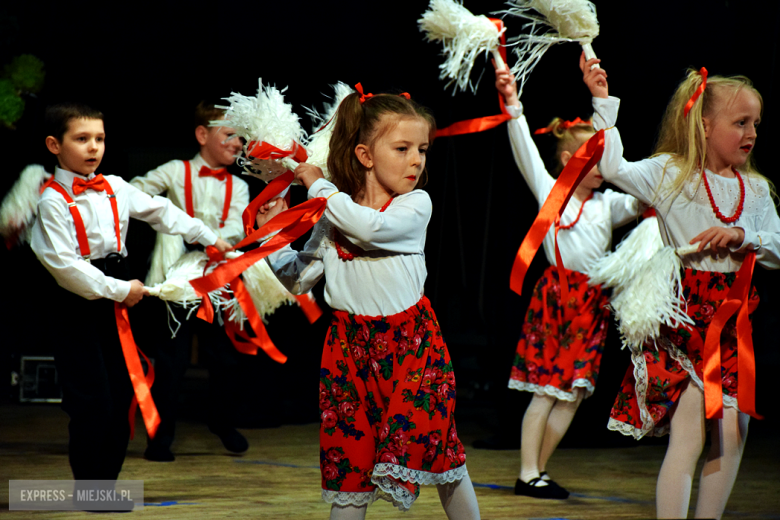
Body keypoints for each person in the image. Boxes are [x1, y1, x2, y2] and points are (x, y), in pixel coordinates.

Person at [255, 88, 480, 519]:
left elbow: (372, 229)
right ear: (365, 154)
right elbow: (299, 278)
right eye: (402, 148)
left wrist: (316, 183)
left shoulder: (415, 205)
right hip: (349, 355)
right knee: (349, 467)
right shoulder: (334, 215)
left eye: (422, 150)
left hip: (413, 352)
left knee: (440, 456)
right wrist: (271, 241)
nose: (417, 160)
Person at [583, 54, 780, 519]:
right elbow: (613, 168)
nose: (751, 132)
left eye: (756, 123)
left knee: (733, 434)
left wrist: (743, 236)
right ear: (706, 126)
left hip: (734, 325)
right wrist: (601, 102)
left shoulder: (755, 190)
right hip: (689, 319)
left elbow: (776, 245)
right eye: (740, 122)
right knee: (689, 434)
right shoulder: (671, 175)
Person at [30, 103, 230, 484]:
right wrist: (122, 289)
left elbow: (162, 211)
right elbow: (66, 267)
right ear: (54, 145)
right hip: (79, 303)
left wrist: (209, 237)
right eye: (82, 139)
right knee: (92, 400)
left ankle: (107, 483)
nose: (93, 148)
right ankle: (90, 485)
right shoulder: (51, 200)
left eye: (100, 139)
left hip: (118, 292)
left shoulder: (116, 187)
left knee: (124, 394)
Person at [494, 63, 644, 499]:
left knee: (572, 395)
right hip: (556, 300)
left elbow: (643, 198)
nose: (603, 167)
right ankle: (527, 472)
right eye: (594, 159)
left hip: (591, 305)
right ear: (569, 161)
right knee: (545, 392)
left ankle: (537, 470)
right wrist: (511, 103)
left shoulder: (607, 204)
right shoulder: (550, 192)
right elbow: (522, 146)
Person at [130, 102, 251, 462]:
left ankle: (222, 421)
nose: (238, 143)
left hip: (219, 279)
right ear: (203, 134)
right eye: (230, 134)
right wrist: (165, 219)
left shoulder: (239, 187)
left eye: (241, 137)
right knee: (171, 360)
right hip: (176, 279)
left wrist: (212, 239)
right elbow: (134, 192)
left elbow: (237, 229)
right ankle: (160, 437)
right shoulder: (175, 171)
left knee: (225, 358)